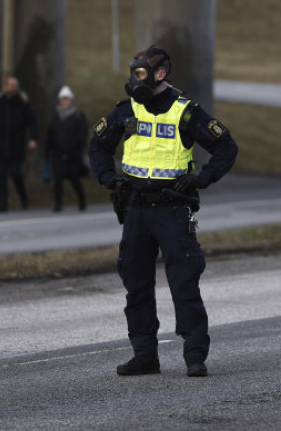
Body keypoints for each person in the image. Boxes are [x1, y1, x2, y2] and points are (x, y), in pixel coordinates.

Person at [89, 45, 238, 379]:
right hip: (136, 209)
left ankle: (195, 356)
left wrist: (202, 179)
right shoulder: (126, 111)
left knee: (184, 284)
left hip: (172, 208)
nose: (134, 78)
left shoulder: (186, 112)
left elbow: (226, 146)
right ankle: (145, 356)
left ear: (161, 74)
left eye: (141, 73)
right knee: (136, 285)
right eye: (133, 72)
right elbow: (97, 146)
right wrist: (108, 178)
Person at [0, 76, 39, 212]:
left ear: (18, 87)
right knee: (1, 176)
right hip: (0, 147)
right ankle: (3, 205)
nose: (12, 87)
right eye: (10, 85)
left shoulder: (23, 104)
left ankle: (24, 199)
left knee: (16, 174)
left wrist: (33, 138)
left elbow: (31, 123)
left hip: (16, 147)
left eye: (15, 85)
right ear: (6, 86)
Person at [45, 85, 89, 212]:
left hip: (73, 155)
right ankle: (58, 203)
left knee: (74, 179)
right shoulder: (56, 116)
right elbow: (51, 134)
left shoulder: (78, 115)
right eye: (63, 99)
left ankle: (82, 200)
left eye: (67, 99)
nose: (65, 101)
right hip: (58, 154)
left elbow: (83, 133)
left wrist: (77, 146)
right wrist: (48, 151)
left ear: (71, 100)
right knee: (57, 179)